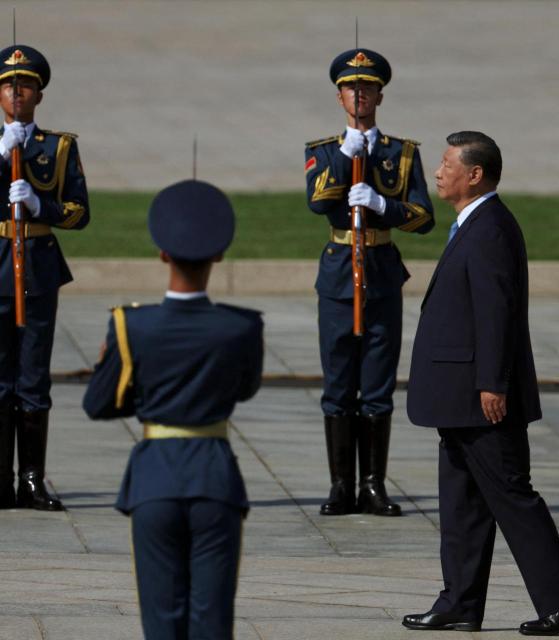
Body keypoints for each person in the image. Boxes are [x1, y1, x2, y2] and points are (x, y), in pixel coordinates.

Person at [403, 131, 559, 635]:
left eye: (447, 164)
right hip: (458, 397)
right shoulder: (476, 224)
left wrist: (493, 382)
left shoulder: (489, 228)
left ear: (475, 174)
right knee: (462, 503)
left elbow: (496, 312)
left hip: (480, 395)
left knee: (511, 495)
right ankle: (459, 601)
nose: (438, 172)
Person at [82, 180, 263, 640]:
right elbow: (244, 390)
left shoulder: (131, 325)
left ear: (162, 253)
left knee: (162, 619)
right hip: (215, 478)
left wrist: (115, 367)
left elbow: (98, 405)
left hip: (154, 480)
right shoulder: (241, 327)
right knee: (213, 619)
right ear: (219, 256)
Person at [304, 48, 434, 517]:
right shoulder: (321, 151)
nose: (359, 94)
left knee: (377, 385)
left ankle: (373, 484)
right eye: (351, 88)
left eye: (368, 87)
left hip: (380, 271)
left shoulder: (401, 154)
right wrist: (343, 158)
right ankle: (341, 485)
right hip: (340, 273)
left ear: (380, 94)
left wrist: (383, 206)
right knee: (339, 383)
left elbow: (422, 217)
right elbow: (318, 202)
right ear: (339, 96)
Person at [0, 45, 88, 511]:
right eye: (9, 85)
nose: (17, 93)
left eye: (26, 85)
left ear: (39, 93)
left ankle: (31, 480)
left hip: (36, 262)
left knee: (32, 376)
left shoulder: (58, 148)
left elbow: (79, 213)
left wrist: (40, 206)